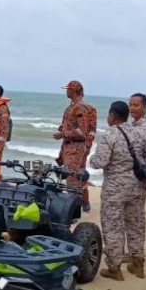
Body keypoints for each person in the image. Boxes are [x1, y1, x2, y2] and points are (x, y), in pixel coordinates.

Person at [88, 101, 146, 281]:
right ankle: (137, 263)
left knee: (112, 227)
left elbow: (99, 162)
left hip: (114, 190)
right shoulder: (140, 133)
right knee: (136, 225)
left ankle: (114, 268)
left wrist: (92, 158)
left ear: (112, 116)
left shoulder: (109, 135)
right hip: (137, 188)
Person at [53, 80, 94, 212]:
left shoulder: (80, 108)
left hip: (75, 147)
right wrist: (61, 131)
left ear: (74, 91)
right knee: (78, 176)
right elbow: (66, 124)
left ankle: (72, 210)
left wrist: (63, 134)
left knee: (71, 179)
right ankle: (83, 202)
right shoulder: (71, 108)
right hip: (69, 146)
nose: (66, 91)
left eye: (68, 89)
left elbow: (82, 132)